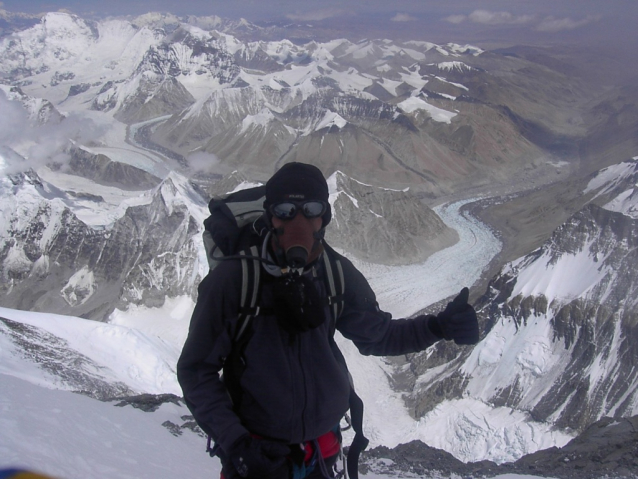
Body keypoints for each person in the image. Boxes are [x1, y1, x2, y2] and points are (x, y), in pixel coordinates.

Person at [177, 162, 479, 479]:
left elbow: (379, 336)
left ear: (325, 216)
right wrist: (236, 444)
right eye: (285, 209)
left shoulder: (336, 274)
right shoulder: (234, 280)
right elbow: (197, 369)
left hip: (322, 453)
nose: (299, 220)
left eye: (311, 208)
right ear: (270, 215)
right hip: (257, 456)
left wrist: (438, 327)